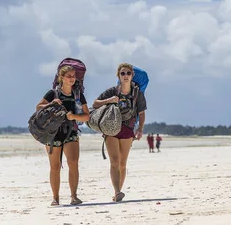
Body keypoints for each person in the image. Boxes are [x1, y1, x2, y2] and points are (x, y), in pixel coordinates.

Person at [35, 65, 90, 206]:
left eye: (73, 76)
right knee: (55, 166)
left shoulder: (78, 95)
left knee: (73, 163)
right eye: (68, 76)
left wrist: (73, 116)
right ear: (61, 77)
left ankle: (74, 196)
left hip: (70, 131)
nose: (71, 78)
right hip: (52, 134)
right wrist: (52, 103)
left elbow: (86, 116)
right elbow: (38, 107)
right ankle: (55, 197)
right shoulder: (52, 94)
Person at [92, 63, 147, 202]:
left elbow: (141, 113)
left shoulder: (137, 94)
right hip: (111, 128)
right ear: (118, 76)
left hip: (128, 129)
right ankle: (117, 192)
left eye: (128, 73)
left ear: (132, 76)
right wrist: (109, 100)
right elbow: (95, 104)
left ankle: (118, 191)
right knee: (114, 161)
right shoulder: (112, 91)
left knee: (123, 163)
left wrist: (140, 129)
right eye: (123, 73)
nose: (126, 76)